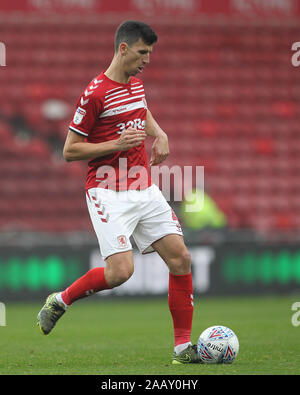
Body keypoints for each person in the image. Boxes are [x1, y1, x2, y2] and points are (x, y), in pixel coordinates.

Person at [37, 20, 200, 364]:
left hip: (142, 185)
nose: (148, 59)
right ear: (123, 48)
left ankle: (183, 349)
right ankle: (61, 300)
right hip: (106, 189)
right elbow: (70, 150)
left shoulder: (136, 86)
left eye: (151, 53)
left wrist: (160, 133)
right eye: (143, 52)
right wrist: (115, 143)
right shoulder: (94, 93)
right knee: (120, 273)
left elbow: (141, 110)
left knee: (181, 258)